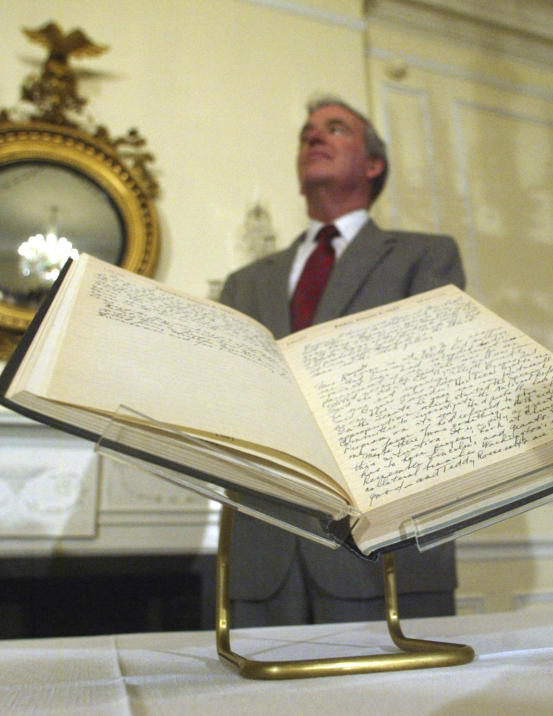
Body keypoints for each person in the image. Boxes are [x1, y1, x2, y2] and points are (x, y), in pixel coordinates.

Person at [218, 95, 465, 626]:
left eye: (335, 128)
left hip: (383, 547)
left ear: (372, 165)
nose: (314, 136)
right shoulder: (245, 282)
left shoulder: (425, 256)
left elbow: (430, 380)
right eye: (306, 131)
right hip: (264, 554)